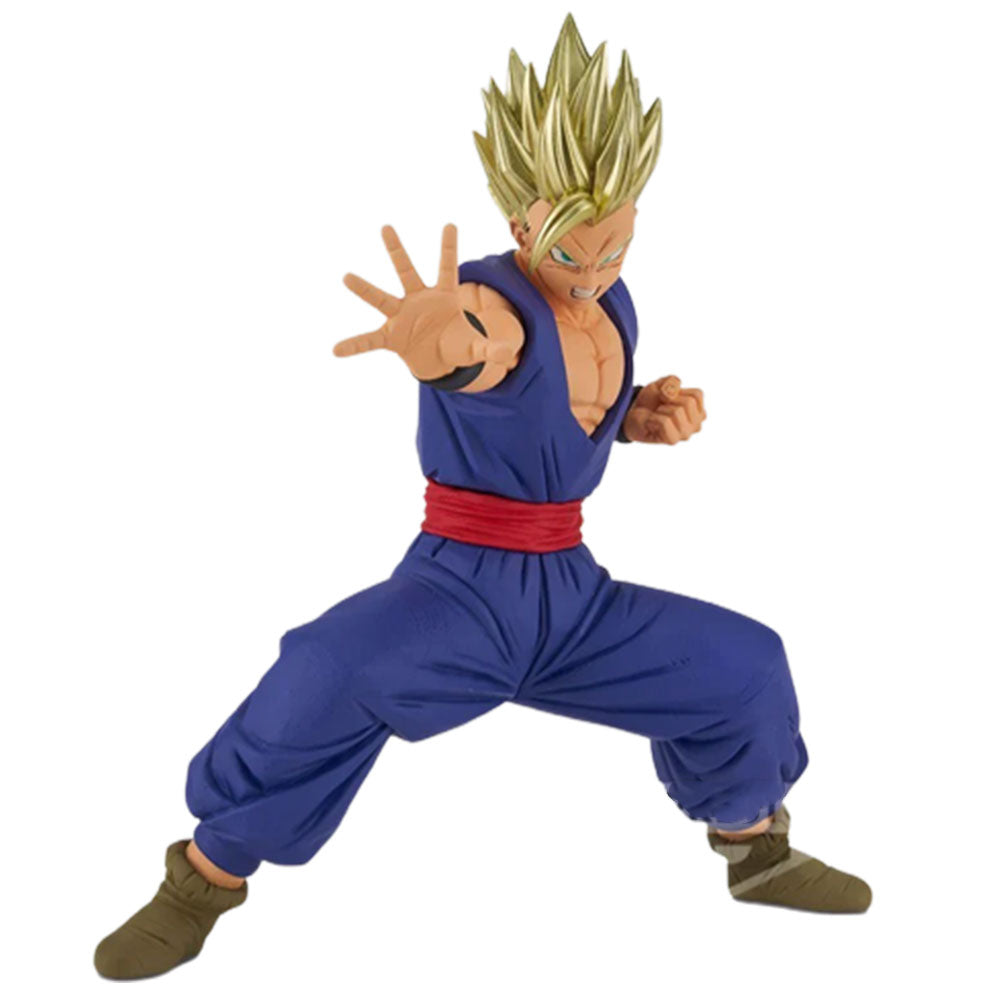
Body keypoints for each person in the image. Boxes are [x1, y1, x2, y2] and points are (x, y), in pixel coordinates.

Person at [94, 14, 871, 982]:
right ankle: (201, 882)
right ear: (520, 226)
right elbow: (476, 348)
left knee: (745, 664)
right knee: (324, 668)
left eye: (614, 250)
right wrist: (440, 340)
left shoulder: (611, 303)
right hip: (459, 591)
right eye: (571, 255)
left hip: (573, 594)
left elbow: (562, 412)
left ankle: (755, 852)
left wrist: (636, 417)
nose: (593, 275)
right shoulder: (491, 302)